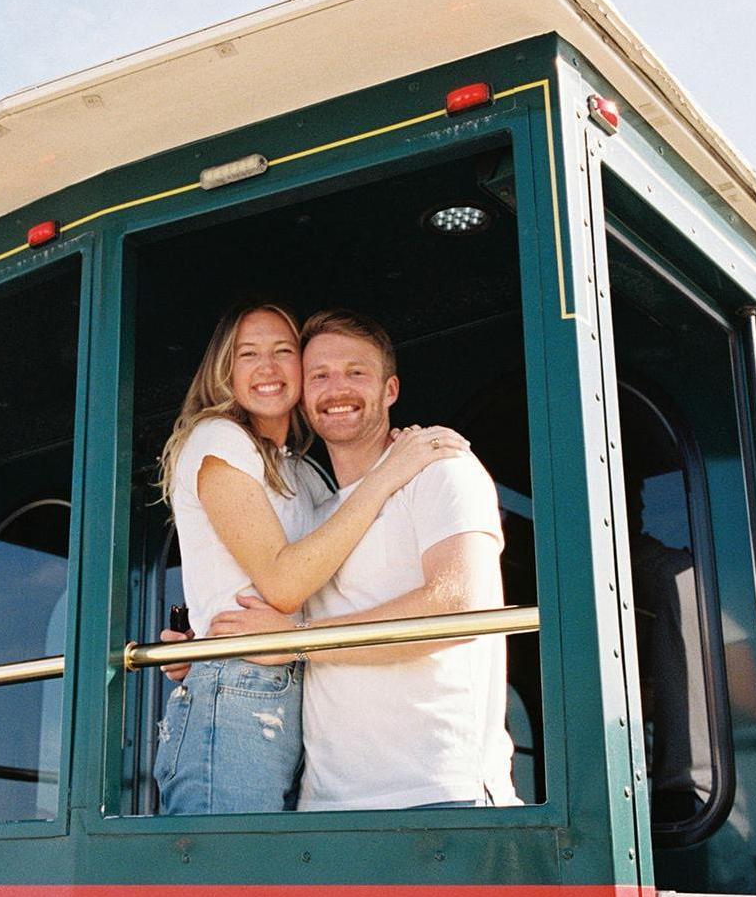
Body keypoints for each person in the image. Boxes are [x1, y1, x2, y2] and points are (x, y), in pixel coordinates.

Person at [154, 301, 467, 815]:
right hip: (237, 691)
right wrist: (389, 473)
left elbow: (319, 584)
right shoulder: (219, 440)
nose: (269, 368)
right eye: (247, 354)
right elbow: (281, 584)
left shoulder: (299, 472)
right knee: (226, 887)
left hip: (292, 695)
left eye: (284, 352)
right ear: (223, 371)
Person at [208, 309, 520, 811]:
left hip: (439, 795)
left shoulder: (442, 469)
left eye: (357, 372)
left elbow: (459, 608)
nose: (338, 389)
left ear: (390, 389)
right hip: (324, 809)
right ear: (304, 399)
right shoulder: (318, 515)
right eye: (320, 376)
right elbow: (275, 627)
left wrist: (298, 643)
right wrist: (196, 653)